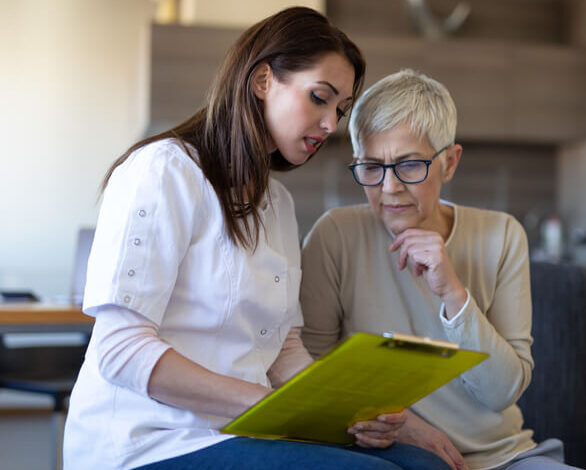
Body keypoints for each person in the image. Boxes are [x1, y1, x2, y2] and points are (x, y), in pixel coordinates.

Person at [63, 9, 451, 470]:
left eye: (340, 110)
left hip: (243, 431)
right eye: (320, 98)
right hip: (150, 440)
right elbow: (120, 350)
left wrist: (357, 413)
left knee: (427, 467)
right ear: (263, 79)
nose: (331, 124)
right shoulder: (164, 170)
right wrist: (271, 409)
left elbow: (283, 349)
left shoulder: (277, 203)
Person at [300, 70, 584, 470]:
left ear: (449, 162)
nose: (389, 188)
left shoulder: (502, 235)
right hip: (386, 457)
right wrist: (405, 427)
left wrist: (453, 293)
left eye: (409, 165)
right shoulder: (335, 236)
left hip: (504, 458)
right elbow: (310, 374)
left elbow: (501, 392)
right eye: (370, 166)